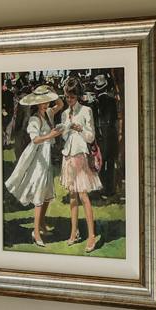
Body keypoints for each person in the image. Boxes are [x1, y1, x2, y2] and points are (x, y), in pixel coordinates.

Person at [3, 84, 62, 246]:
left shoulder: (49, 113)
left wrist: (53, 92)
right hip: (37, 157)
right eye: (42, 102)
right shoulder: (34, 119)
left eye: (46, 101)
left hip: (46, 156)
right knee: (39, 194)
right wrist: (51, 134)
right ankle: (36, 232)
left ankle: (41, 224)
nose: (46, 104)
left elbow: (60, 105)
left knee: (47, 192)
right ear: (36, 103)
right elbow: (35, 139)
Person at [58, 82, 102, 250]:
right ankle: (74, 231)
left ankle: (91, 235)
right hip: (68, 156)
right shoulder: (64, 114)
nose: (69, 100)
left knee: (83, 195)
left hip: (81, 156)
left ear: (78, 96)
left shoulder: (86, 111)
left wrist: (80, 128)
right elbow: (64, 138)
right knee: (72, 195)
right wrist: (66, 129)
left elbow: (91, 137)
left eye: (72, 97)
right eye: (67, 97)